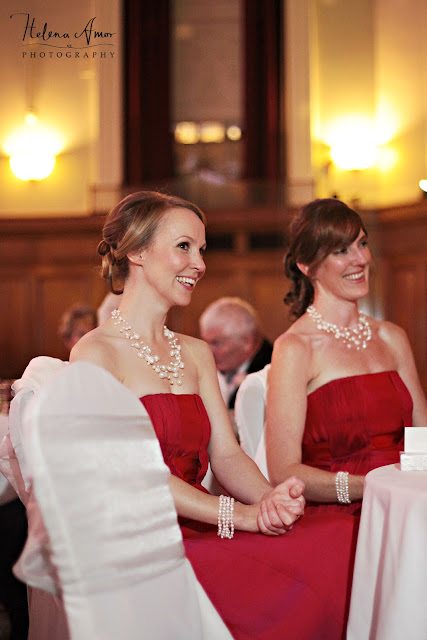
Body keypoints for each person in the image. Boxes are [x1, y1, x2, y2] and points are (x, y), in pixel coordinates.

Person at [70, 191, 358, 639]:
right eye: (184, 246)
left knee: (334, 545)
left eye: (201, 250)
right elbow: (137, 478)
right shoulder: (93, 354)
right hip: (138, 542)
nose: (200, 263)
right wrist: (238, 516)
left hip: (201, 522)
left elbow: (226, 455)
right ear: (137, 251)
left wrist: (269, 501)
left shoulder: (197, 353)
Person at [265, 198, 427, 625]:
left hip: (412, 501)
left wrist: (409, 492)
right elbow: (283, 470)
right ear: (306, 264)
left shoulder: (392, 337)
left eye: (361, 243)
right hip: (344, 512)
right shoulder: (295, 348)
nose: (360, 259)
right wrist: (367, 488)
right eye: (341, 250)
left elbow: (423, 436)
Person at [199, 297, 272, 409]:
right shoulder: (207, 370)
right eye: (205, 342)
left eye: (216, 343)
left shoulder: (273, 370)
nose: (208, 351)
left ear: (247, 342)